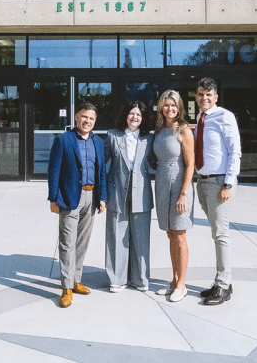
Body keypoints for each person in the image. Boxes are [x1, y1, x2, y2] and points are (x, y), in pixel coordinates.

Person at [47, 103, 107, 308]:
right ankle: (65, 287)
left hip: (92, 197)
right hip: (69, 197)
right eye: (83, 117)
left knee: (82, 242)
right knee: (67, 243)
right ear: (75, 117)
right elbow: (53, 170)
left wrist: (103, 197)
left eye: (91, 118)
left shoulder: (98, 142)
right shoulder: (63, 140)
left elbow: (101, 172)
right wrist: (53, 199)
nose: (87, 121)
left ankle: (76, 280)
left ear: (95, 121)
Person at [193, 77, 241, 306]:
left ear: (216, 97)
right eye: (201, 94)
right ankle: (221, 281)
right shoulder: (200, 118)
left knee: (221, 234)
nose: (204, 98)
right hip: (202, 182)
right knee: (215, 232)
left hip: (219, 182)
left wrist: (228, 184)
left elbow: (235, 152)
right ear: (196, 96)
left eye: (208, 95)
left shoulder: (225, 116)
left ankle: (223, 286)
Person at [104, 101, 154, 293]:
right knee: (116, 236)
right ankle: (116, 278)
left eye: (139, 115)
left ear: (143, 119)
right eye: (132, 113)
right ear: (125, 115)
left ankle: (140, 279)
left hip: (141, 193)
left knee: (141, 238)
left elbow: (157, 162)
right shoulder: (112, 135)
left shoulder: (148, 139)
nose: (135, 117)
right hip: (117, 192)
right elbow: (102, 163)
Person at [152, 90, 195, 302]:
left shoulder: (184, 130)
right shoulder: (160, 129)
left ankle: (182, 284)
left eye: (174, 105)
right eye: (166, 105)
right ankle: (173, 280)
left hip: (179, 184)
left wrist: (184, 193)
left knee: (179, 234)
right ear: (161, 107)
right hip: (161, 182)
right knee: (170, 234)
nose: (170, 109)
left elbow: (190, 164)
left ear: (179, 108)